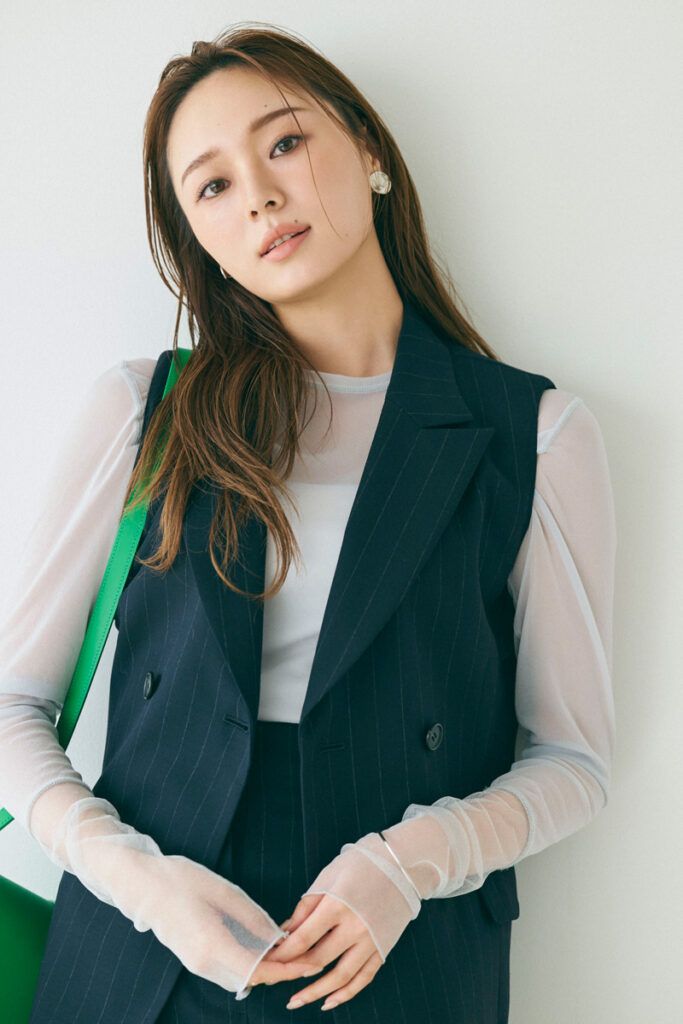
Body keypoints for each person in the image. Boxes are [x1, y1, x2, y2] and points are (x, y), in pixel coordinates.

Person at [0, 23, 617, 1024]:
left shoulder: (535, 434)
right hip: (140, 961)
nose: (258, 196)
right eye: (212, 185)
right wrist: (140, 883)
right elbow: (11, 706)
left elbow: (573, 759)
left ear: (368, 148)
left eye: (284, 142)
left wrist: (411, 863)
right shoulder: (145, 412)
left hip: (400, 963)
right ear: (198, 240)